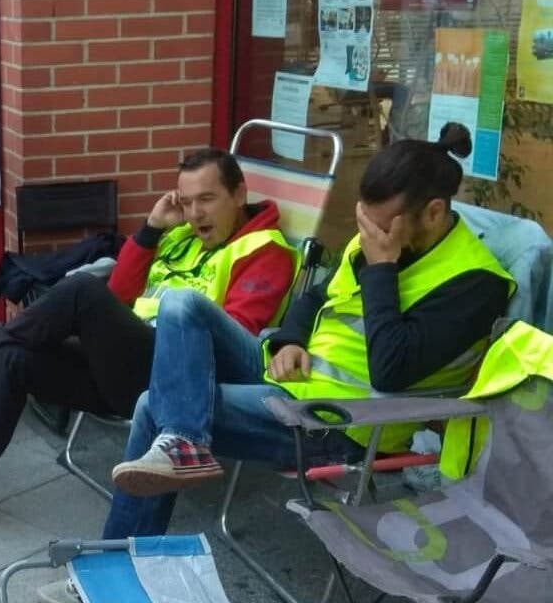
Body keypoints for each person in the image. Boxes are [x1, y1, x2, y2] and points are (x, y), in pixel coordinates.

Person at [104, 123, 514, 538]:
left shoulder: (476, 283)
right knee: (181, 304)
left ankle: (118, 562)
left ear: (434, 213)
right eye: (363, 221)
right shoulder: (380, 236)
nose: (368, 234)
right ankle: (184, 443)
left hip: (340, 423)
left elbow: (394, 370)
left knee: (153, 406)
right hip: (294, 376)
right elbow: (316, 296)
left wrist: (382, 270)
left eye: (382, 226)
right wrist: (291, 339)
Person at [0, 149, 299, 542]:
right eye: (188, 202)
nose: (195, 214)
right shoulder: (180, 238)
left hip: (177, 383)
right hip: (122, 365)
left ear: (239, 194)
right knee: (13, 357)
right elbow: (121, 292)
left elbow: (231, 340)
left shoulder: (266, 251)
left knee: (81, 292)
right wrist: (152, 229)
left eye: (207, 199)